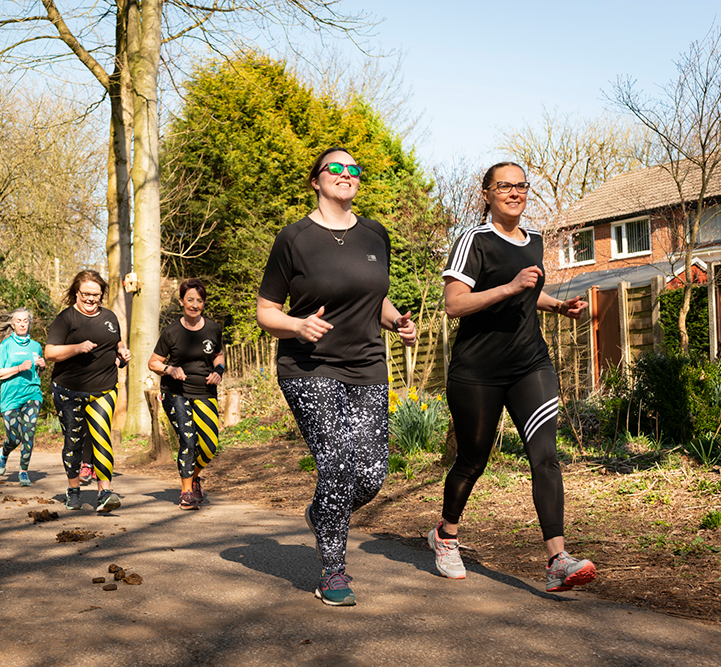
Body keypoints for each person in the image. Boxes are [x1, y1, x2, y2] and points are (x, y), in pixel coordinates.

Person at [256, 147, 417, 606]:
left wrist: (396, 323)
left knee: (371, 474)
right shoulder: (294, 238)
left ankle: (321, 512)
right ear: (316, 180)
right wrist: (297, 325)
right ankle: (333, 571)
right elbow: (266, 311)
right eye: (336, 169)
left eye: (354, 170)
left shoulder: (375, 234)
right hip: (309, 366)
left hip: (367, 365)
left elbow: (373, 299)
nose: (346, 175)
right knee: (337, 464)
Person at [433, 161, 595, 593]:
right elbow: (454, 304)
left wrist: (558, 306)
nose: (515, 192)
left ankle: (558, 560)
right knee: (473, 460)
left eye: (521, 185)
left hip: (530, 365)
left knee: (544, 457)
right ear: (486, 194)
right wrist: (509, 286)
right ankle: (446, 536)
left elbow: (528, 290)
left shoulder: (535, 239)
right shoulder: (474, 240)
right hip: (478, 372)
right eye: (504, 186)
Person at [45, 270, 131, 512]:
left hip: (104, 388)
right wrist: (77, 348)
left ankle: (105, 493)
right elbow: (50, 353)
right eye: (87, 294)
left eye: (97, 295)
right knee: (73, 441)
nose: (92, 299)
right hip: (68, 390)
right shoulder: (66, 319)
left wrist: (122, 353)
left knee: (101, 436)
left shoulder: (110, 317)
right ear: (76, 293)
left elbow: (116, 342)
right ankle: (73, 489)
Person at [148, 278, 225, 510]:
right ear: (181, 301)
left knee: (210, 445)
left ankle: (193, 478)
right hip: (176, 392)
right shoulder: (171, 332)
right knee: (188, 440)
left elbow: (218, 355)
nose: (194, 304)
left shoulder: (213, 329)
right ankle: (186, 492)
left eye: (199, 300)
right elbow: (153, 363)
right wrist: (169, 369)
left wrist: (219, 370)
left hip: (205, 392)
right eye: (190, 299)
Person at [0, 308, 45, 487]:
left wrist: (41, 367)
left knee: (28, 432)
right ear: (12, 324)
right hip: (11, 397)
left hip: (32, 394)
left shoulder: (36, 346)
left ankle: (23, 471)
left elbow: (37, 374)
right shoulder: (6, 345)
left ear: (29, 323)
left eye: (25, 321)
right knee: (14, 437)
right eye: (19, 321)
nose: (22, 323)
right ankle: (4, 453)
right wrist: (18, 368)